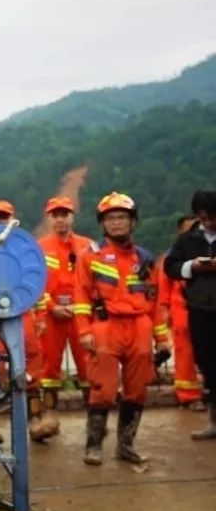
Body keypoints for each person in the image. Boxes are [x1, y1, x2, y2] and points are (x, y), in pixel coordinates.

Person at [74, 192, 171, 465]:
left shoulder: (146, 259)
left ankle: (125, 446)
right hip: (105, 326)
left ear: (132, 222)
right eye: (111, 218)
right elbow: (81, 297)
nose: (117, 223)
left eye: (122, 218)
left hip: (140, 326)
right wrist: (85, 332)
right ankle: (93, 446)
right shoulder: (90, 257)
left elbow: (155, 302)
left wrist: (162, 339)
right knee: (103, 389)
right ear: (102, 224)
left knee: (137, 389)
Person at [0, 200, 58, 444]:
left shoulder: (25, 247)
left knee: (30, 367)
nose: (1, 222)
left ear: (13, 219)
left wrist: (42, 318)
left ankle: (35, 421)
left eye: (5, 217)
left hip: (23, 315)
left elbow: (36, 285)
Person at [164, 190, 216, 439]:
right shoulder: (188, 240)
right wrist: (192, 266)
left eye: (212, 217)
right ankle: (214, 422)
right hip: (200, 310)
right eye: (203, 217)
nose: (207, 222)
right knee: (208, 366)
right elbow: (170, 267)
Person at [38, 196, 95, 424]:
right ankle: (50, 415)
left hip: (81, 315)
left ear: (72, 216)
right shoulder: (40, 248)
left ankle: (94, 416)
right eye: (56, 215)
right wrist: (52, 307)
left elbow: (95, 281)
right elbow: (35, 283)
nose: (60, 219)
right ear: (50, 218)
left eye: (65, 214)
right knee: (49, 366)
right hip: (52, 316)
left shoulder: (88, 246)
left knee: (87, 365)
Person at [156, 216, 206, 410]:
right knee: (185, 356)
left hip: (205, 309)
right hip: (181, 313)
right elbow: (164, 288)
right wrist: (165, 312)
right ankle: (189, 396)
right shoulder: (172, 256)